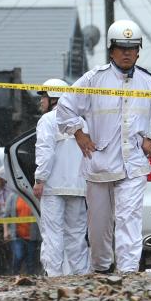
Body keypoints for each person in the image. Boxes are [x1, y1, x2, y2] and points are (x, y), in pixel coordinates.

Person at [57, 20, 151, 273]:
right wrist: (79, 133)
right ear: (111, 50)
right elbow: (65, 106)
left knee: (128, 219)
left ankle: (128, 272)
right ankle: (101, 268)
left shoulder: (148, 83)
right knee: (99, 225)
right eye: (121, 47)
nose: (127, 53)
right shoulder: (93, 79)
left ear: (139, 51)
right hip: (99, 163)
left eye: (132, 48)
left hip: (133, 165)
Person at [34, 78, 89, 276]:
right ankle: (81, 275)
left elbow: (45, 152)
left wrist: (40, 179)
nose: (41, 102)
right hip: (78, 186)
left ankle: (54, 275)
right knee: (76, 234)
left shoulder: (47, 120)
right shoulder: (81, 121)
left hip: (53, 187)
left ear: (54, 98)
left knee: (52, 233)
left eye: (44, 97)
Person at [2, 189, 41, 275]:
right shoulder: (12, 196)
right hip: (17, 235)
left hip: (33, 236)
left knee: (31, 261)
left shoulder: (34, 196)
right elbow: (5, 215)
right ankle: (14, 276)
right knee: (18, 256)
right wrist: (6, 231)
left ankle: (31, 280)